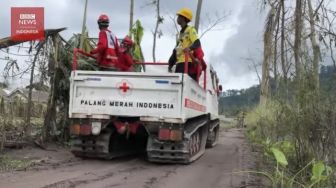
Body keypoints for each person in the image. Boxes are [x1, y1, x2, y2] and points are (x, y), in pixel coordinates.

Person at [168, 8, 206, 81]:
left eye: (179, 16)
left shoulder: (190, 29)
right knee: (177, 82)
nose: (177, 18)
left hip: (186, 61)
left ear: (184, 18)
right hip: (180, 61)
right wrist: (171, 62)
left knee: (180, 82)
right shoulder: (180, 33)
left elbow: (197, 42)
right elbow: (177, 49)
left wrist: (189, 48)